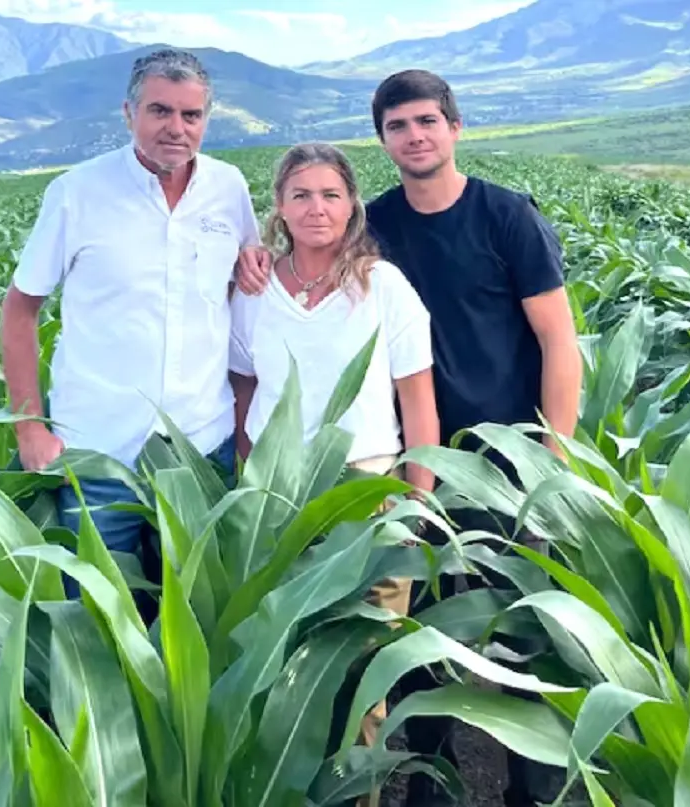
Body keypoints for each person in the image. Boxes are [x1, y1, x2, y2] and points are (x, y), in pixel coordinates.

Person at [362, 70, 583, 806]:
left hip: (506, 460)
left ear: (456, 127)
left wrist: (552, 457)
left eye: (427, 120)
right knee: (422, 628)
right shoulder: (377, 225)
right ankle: (434, 776)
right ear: (383, 139)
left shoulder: (506, 216)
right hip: (414, 459)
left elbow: (558, 340)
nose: (415, 135)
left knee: (521, 626)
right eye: (398, 125)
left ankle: (535, 780)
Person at [0, 48, 267, 609]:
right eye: (159, 111)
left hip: (200, 442)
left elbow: (243, 278)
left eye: (191, 116)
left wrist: (250, 265)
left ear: (207, 119)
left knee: (194, 610)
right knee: (96, 616)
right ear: (129, 113)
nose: (176, 128)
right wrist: (29, 429)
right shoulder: (76, 193)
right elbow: (19, 309)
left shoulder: (228, 188)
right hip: (98, 445)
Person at [228, 141, 440, 807]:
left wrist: (415, 504)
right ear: (279, 209)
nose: (315, 207)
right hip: (277, 495)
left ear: (352, 205)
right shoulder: (255, 292)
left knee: (363, 666)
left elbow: (418, 402)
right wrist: (247, 481)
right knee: (284, 658)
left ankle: (357, 795)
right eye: (300, 195)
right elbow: (243, 388)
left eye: (329, 194)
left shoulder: (384, 287)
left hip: (366, 493)